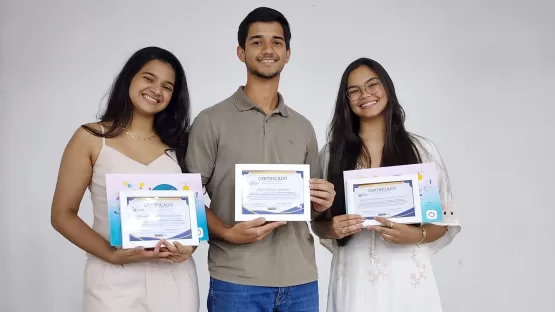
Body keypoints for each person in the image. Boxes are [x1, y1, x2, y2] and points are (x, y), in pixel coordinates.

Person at [185, 7, 335, 312]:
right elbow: (185, 198)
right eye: (257, 42)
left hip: (301, 280)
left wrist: (323, 201)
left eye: (277, 42)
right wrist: (227, 232)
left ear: (288, 53)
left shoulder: (302, 126)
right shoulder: (210, 121)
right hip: (236, 281)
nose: (268, 49)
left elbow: (315, 211)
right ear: (241, 52)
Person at [50, 46, 200, 312]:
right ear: (129, 78)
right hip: (112, 278)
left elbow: (192, 213)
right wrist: (111, 253)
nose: (156, 90)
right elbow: (63, 214)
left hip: (174, 280)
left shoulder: (181, 145)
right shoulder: (91, 138)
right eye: (148, 78)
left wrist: (191, 247)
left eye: (167, 86)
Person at [311, 57, 461, 312]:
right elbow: (318, 224)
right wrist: (333, 229)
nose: (365, 95)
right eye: (354, 91)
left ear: (387, 89)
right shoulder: (331, 155)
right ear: (345, 101)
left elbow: (442, 222)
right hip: (354, 274)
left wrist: (416, 234)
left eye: (372, 85)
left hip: (409, 275)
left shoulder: (420, 150)